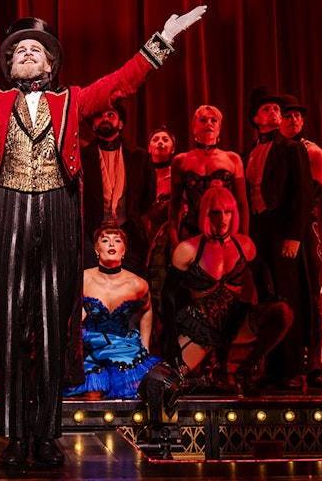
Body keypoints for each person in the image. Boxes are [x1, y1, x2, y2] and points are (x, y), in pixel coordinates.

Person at [0, 4, 205, 468]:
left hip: (57, 215)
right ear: (9, 67)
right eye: (19, 51)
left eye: (36, 50)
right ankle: (14, 436)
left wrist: (162, 39)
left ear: (50, 65)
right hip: (8, 211)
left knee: (51, 323)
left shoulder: (72, 101)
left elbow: (122, 80)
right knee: (9, 324)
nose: (27, 54)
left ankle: (47, 435)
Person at [162, 186, 292, 394]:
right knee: (165, 383)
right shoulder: (188, 249)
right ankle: (207, 374)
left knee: (283, 312)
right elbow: (167, 296)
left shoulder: (244, 245)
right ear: (206, 214)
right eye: (216, 212)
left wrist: (268, 296)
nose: (222, 218)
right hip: (201, 328)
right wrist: (172, 342)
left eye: (228, 212)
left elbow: (261, 269)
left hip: (235, 325)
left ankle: (245, 371)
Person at [244, 87, 314, 391]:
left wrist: (294, 236)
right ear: (256, 118)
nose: (274, 113)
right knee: (268, 299)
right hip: (260, 231)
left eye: (277, 109)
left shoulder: (291, 148)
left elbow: (304, 195)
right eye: (267, 110)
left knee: (289, 298)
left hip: (283, 230)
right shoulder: (251, 151)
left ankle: (294, 370)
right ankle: (272, 368)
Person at [65, 227, 158, 399]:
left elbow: (147, 310)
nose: (111, 244)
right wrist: (78, 315)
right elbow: (66, 311)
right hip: (90, 347)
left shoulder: (137, 284)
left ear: (124, 250)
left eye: (117, 240)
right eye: (105, 240)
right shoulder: (83, 279)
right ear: (96, 249)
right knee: (93, 391)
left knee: (134, 391)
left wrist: (145, 346)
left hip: (122, 348)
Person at [277, 93, 322, 389]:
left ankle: (314, 363)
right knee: (283, 298)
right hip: (277, 231)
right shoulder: (274, 150)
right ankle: (287, 365)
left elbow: (309, 196)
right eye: (288, 115)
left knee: (310, 295)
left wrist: (294, 233)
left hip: (303, 230)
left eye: (298, 115)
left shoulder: (314, 152)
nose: (294, 120)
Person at [81, 104, 157, 274]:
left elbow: (149, 194)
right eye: (100, 116)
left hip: (131, 235)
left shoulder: (140, 156)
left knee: (133, 288)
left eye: (110, 115)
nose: (105, 119)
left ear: (120, 123)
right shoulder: (82, 157)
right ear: (93, 125)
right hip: (91, 235)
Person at [170, 104, 249, 242]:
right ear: (194, 128)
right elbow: (174, 204)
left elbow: (242, 203)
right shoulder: (180, 161)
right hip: (190, 231)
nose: (209, 124)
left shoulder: (233, 159)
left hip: (224, 232)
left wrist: (243, 238)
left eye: (214, 120)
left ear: (219, 128)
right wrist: (173, 239)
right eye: (203, 120)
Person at [144, 125, 176, 355]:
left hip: (166, 244)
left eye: (166, 139)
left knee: (164, 294)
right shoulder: (139, 173)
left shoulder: (177, 175)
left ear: (173, 147)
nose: (160, 143)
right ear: (149, 147)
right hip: (139, 240)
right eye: (156, 139)